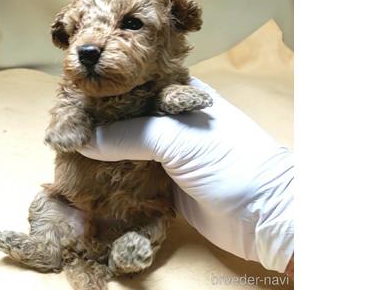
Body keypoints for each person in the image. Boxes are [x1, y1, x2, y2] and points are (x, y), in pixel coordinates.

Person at [78, 77, 294, 277]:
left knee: (145, 227)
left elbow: (89, 143)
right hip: (86, 202)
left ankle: (126, 251)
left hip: (138, 208)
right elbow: (73, 137)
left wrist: (281, 226)